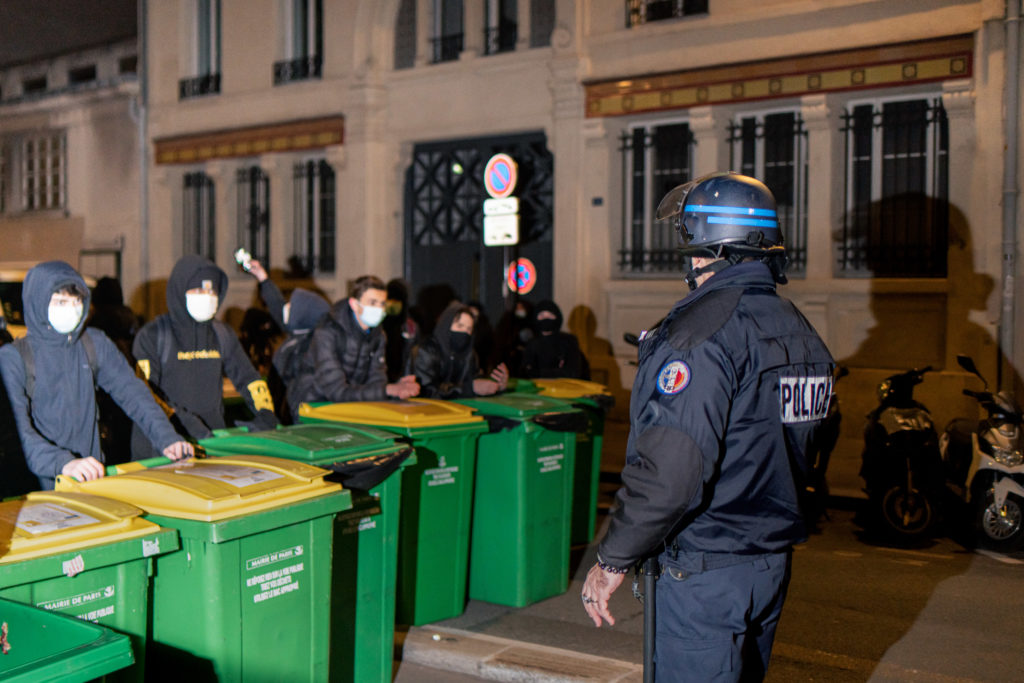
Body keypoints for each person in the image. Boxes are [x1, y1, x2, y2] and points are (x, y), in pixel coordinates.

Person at [580, 173, 834, 682]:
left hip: (705, 569)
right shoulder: (798, 329)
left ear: (705, 247)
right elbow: (813, 442)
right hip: (768, 565)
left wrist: (611, 561)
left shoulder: (698, 335)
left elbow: (670, 472)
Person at [0, 261, 192, 489]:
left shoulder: (93, 343)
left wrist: (167, 438)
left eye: (76, 302)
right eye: (60, 302)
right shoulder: (13, 358)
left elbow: (133, 392)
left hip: (89, 480)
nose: (71, 310)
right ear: (38, 303)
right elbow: (17, 433)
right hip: (36, 490)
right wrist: (64, 463)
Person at [130, 255, 278, 459]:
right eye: (199, 290)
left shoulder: (221, 334)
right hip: (162, 448)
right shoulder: (153, 335)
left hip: (210, 445)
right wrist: (190, 425)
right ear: (181, 290)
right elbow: (146, 392)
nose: (207, 296)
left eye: (212, 291)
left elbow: (248, 378)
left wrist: (266, 413)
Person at [292, 275, 420, 405]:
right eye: (372, 303)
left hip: (349, 404)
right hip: (312, 405)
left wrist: (394, 389)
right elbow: (337, 392)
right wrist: (388, 390)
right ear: (354, 304)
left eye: (382, 304)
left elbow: (377, 381)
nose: (379, 309)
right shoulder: (327, 333)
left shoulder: (378, 335)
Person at [409, 302, 508, 399]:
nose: (464, 332)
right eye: (459, 326)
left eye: (469, 329)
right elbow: (426, 391)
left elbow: (476, 382)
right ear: (446, 325)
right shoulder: (426, 351)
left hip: (460, 412)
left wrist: (497, 387)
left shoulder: (469, 354)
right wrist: (468, 389)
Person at [521, 299, 590, 380]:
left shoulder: (568, 341)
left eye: (550, 315)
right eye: (542, 315)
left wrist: (540, 373)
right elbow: (525, 372)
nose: (546, 319)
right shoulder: (532, 344)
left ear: (557, 317)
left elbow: (573, 372)